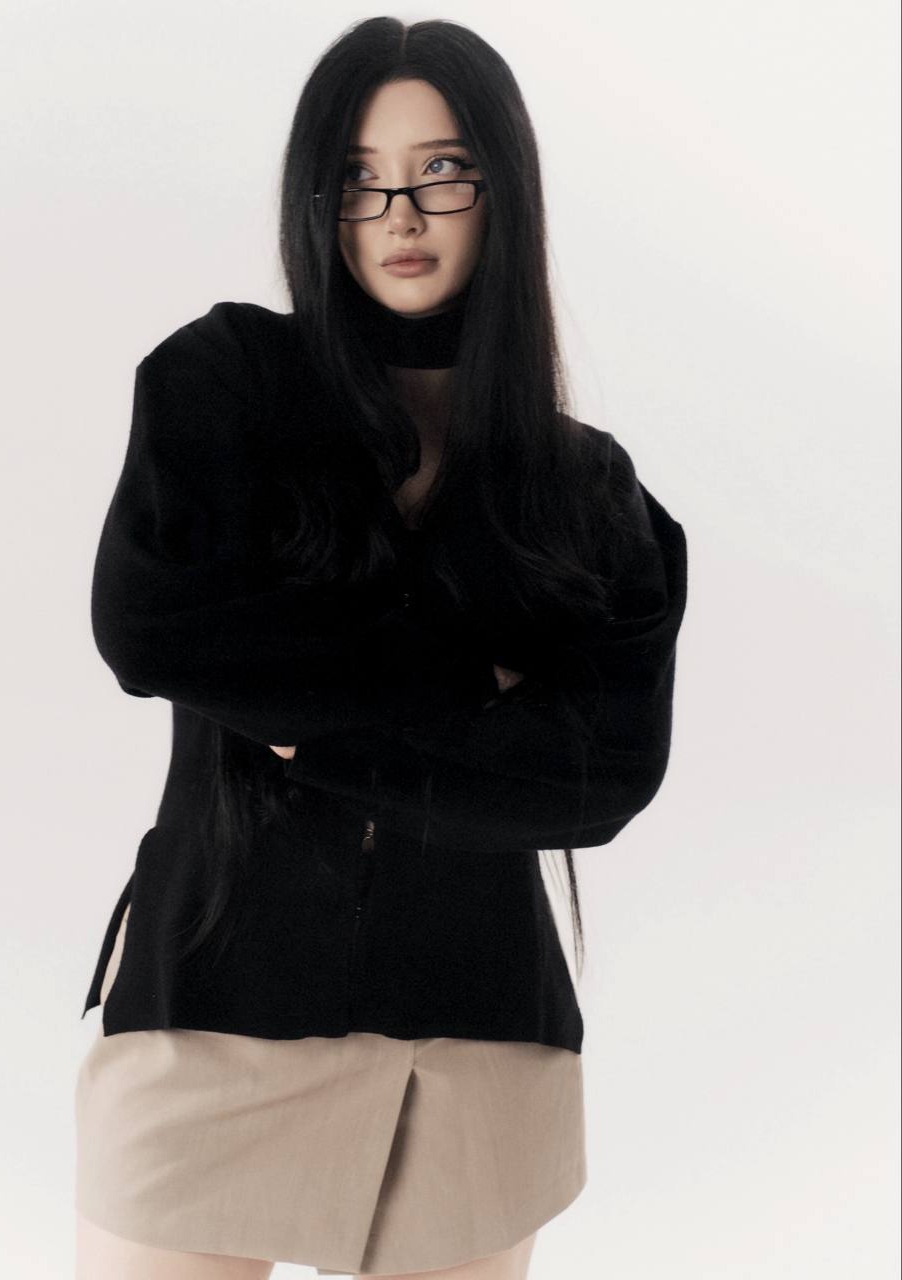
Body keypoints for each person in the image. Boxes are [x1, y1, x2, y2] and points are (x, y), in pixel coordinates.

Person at [74, 17, 688, 1280]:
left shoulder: (589, 491)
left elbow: (600, 779)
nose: (399, 212)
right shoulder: (224, 382)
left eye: (442, 169)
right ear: (318, 200)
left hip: (479, 1045)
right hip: (210, 1010)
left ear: (503, 190)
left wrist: (308, 724)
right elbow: (149, 624)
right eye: (358, 177)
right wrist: (476, 689)